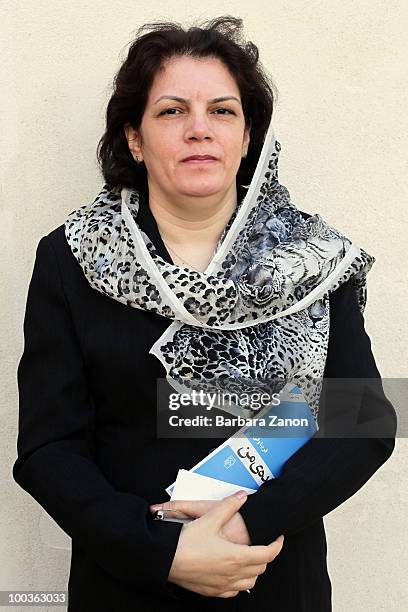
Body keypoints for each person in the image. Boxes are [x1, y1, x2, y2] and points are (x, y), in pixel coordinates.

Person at [13, 15, 397, 612]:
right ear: (134, 138)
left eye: (222, 111)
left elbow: (363, 423)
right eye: (172, 111)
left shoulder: (313, 263)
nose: (199, 130)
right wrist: (163, 550)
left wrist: (243, 529)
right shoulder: (71, 260)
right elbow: (50, 448)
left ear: (248, 138)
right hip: (128, 585)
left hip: (273, 580)